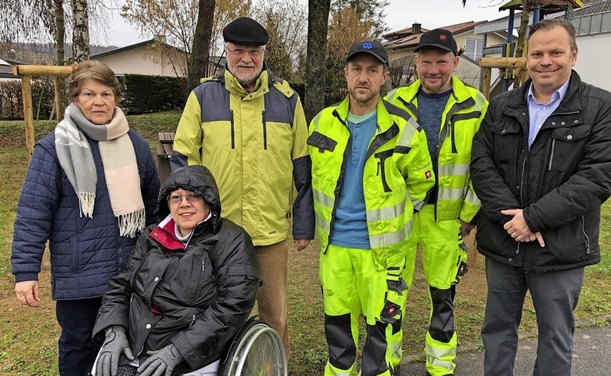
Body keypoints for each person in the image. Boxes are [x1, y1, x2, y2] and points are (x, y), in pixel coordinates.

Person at [470, 19, 611, 376]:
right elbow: (481, 164)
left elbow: (597, 177)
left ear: (573, 54)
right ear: (525, 58)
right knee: (496, 332)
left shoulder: (601, 107)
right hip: (504, 242)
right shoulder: (502, 105)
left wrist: (533, 219)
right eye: (537, 53)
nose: (545, 61)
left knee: (555, 337)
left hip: (560, 248)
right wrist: (513, 219)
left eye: (555, 52)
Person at [170, 16, 313, 360]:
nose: (246, 58)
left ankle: (272, 367)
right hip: (217, 232)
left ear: (264, 54)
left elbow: (303, 167)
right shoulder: (203, 97)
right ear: (226, 52)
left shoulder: (288, 99)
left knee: (274, 314)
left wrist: (304, 223)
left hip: (270, 230)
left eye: (253, 51)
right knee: (216, 312)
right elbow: (183, 159)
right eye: (238, 51)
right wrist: (190, 215)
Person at [11, 59, 160, 376]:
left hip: (128, 274)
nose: (98, 102)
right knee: (80, 349)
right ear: (75, 99)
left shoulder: (136, 146)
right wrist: (26, 272)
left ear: (116, 98)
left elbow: (153, 209)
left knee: (128, 349)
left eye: (106, 94)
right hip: (80, 278)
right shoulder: (54, 148)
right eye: (89, 94)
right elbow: (33, 213)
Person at [308, 40, 434, 376]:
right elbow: (310, 181)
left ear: (384, 77)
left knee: (380, 334)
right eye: (357, 69)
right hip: (335, 250)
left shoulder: (404, 127)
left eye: (372, 70)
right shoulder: (322, 123)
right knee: (337, 330)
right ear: (345, 74)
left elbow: (421, 185)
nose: (363, 77)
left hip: (383, 256)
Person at [384, 28, 488, 375]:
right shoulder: (394, 102)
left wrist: (470, 214)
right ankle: (387, 360)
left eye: (441, 62)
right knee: (390, 291)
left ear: (455, 63)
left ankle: (441, 366)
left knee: (443, 295)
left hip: (447, 217)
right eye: (426, 61)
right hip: (400, 214)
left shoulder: (476, 105)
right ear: (415, 63)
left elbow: (485, 165)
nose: (433, 69)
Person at [91, 165, 260, 376]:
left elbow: (233, 305)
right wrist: (114, 330)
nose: (184, 204)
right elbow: (121, 286)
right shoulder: (152, 235)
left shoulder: (231, 240)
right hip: (133, 349)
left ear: (209, 200)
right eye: (176, 197)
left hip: (190, 356)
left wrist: (178, 350)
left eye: (193, 196)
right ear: (167, 204)